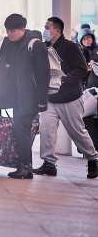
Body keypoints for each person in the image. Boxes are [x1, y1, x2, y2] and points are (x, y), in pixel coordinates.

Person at [34, 16, 98, 178]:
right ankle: (49, 163)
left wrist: (64, 80)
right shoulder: (42, 48)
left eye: (47, 27)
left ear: (57, 30)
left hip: (70, 97)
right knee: (47, 130)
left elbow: (82, 68)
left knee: (76, 131)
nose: (45, 30)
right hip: (50, 98)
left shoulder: (71, 47)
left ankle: (92, 159)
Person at [0, 14, 50, 179]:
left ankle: (25, 166)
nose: (9, 33)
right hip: (15, 96)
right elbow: (2, 69)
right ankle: (24, 166)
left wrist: (41, 99)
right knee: (20, 129)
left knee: (19, 127)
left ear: (23, 29)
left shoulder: (35, 44)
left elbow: (43, 74)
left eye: (13, 30)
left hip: (31, 97)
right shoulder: (7, 43)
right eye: (7, 30)